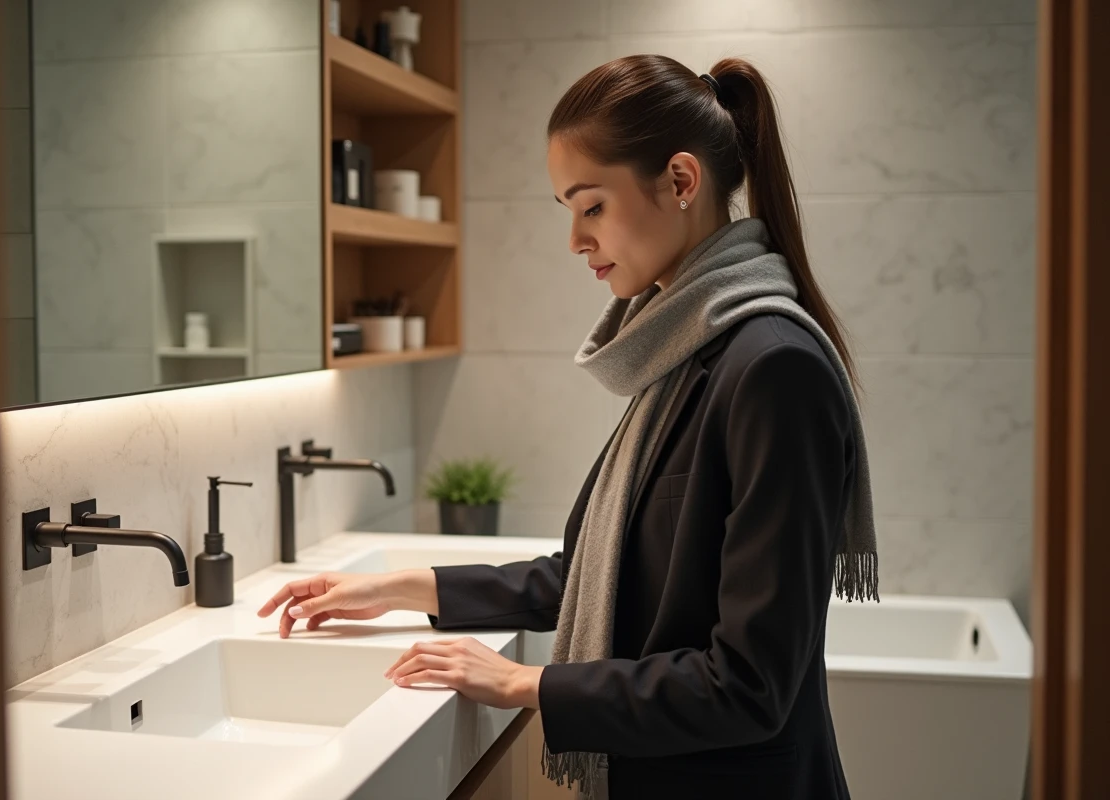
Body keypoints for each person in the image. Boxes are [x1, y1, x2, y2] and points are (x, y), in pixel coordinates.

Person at [258, 54, 879, 800]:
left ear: (681, 182)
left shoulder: (773, 369)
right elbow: (601, 574)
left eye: (591, 207)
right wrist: (400, 587)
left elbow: (750, 683)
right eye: (567, 211)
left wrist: (528, 682)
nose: (575, 241)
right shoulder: (688, 353)